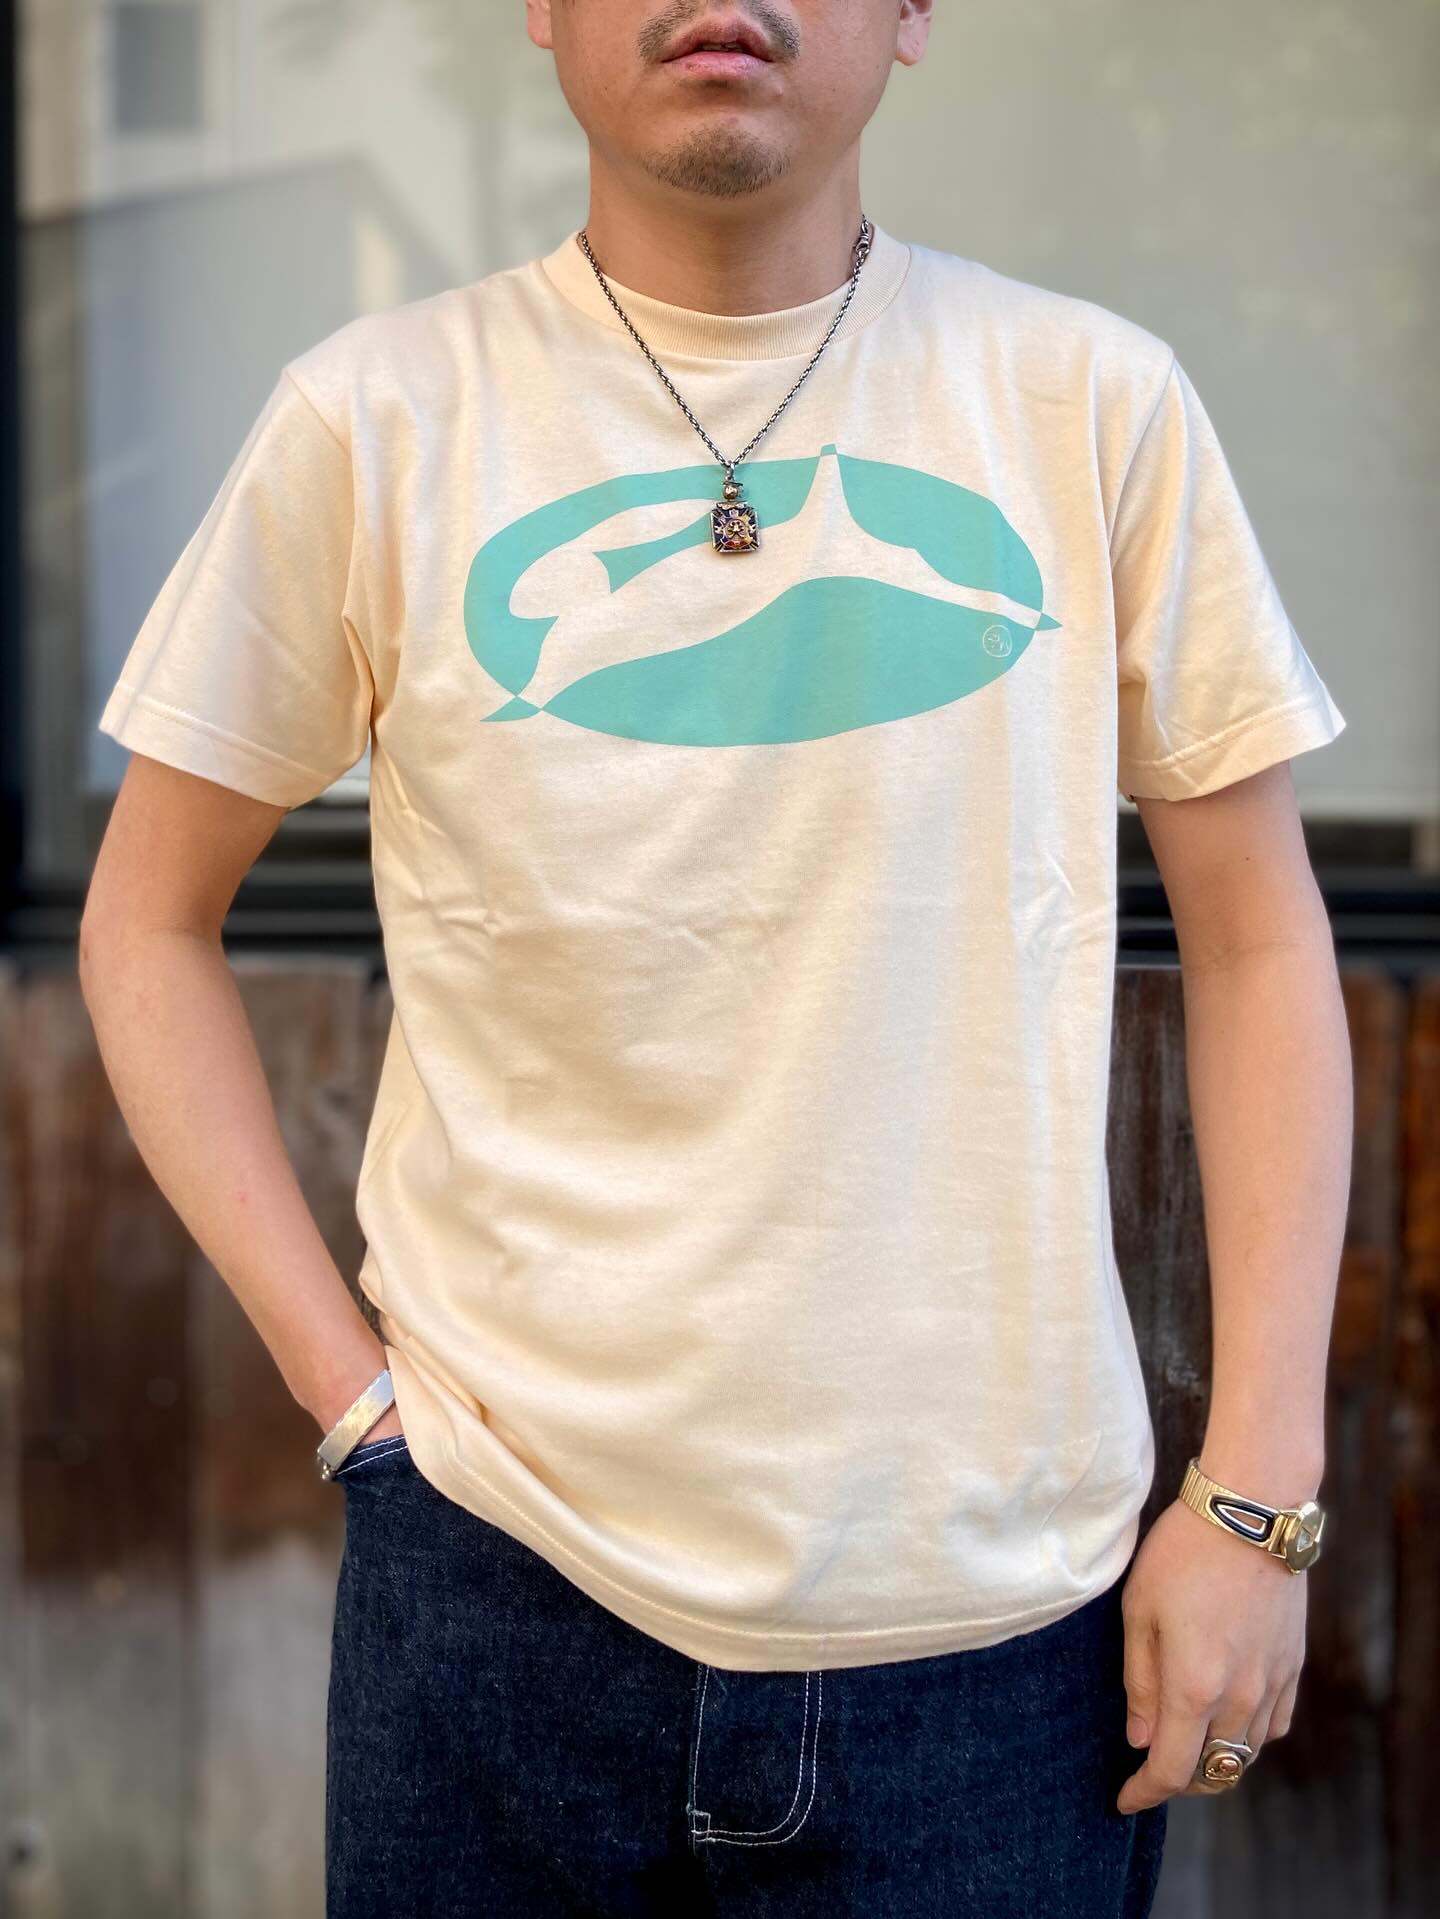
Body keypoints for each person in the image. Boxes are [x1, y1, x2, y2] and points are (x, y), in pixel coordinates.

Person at [81, 1, 1352, 1912]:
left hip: (1000, 1634)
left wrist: (1258, 1501)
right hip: (492, 1581)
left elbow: (1255, 940)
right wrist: (348, 1395)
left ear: (912, 12)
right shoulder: (377, 416)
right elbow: (145, 919)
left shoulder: (1091, 400)